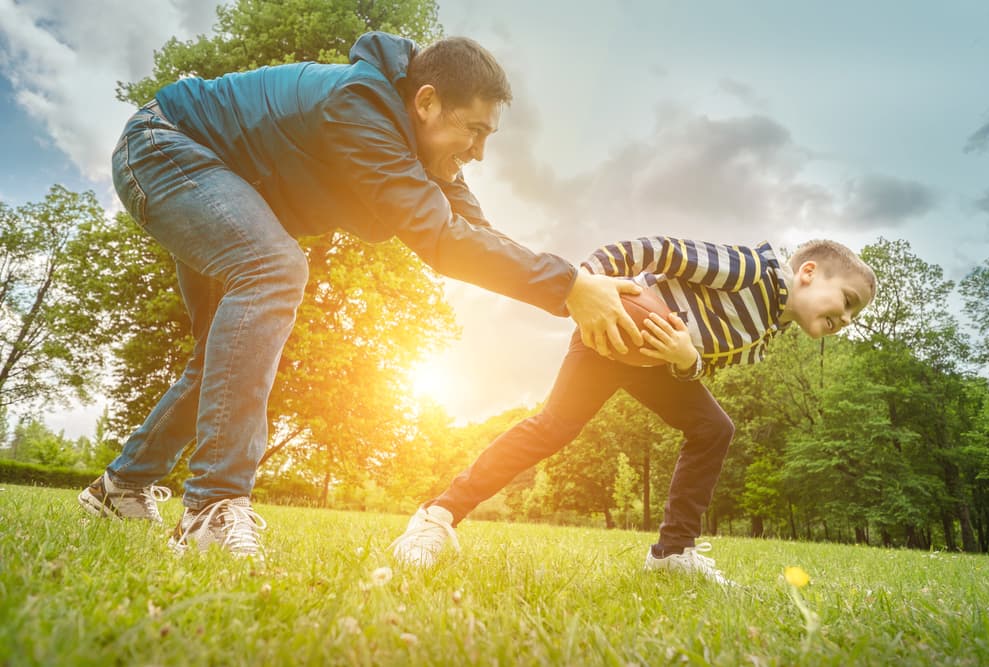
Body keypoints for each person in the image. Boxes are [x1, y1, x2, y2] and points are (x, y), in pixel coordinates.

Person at [77, 31, 643, 557]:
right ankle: (213, 506)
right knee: (274, 269)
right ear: (425, 102)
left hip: (215, 174)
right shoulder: (359, 109)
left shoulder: (424, 154)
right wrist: (568, 285)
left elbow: (476, 235)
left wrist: (574, 286)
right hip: (164, 146)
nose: (478, 153)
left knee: (220, 362)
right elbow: (441, 240)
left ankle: (120, 487)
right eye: (473, 131)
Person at [391, 236, 876, 584]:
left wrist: (686, 360)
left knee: (713, 428)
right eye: (848, 301)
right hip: (609, 332)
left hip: (652, 361)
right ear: (808, 274)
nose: (847, 319)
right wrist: (588, 286)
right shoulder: (749, 269)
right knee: (552, 428)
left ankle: (673, 553)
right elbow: (659, 250)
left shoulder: (768, 331)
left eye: (855, 315)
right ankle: (436, 518)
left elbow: (697, 363)